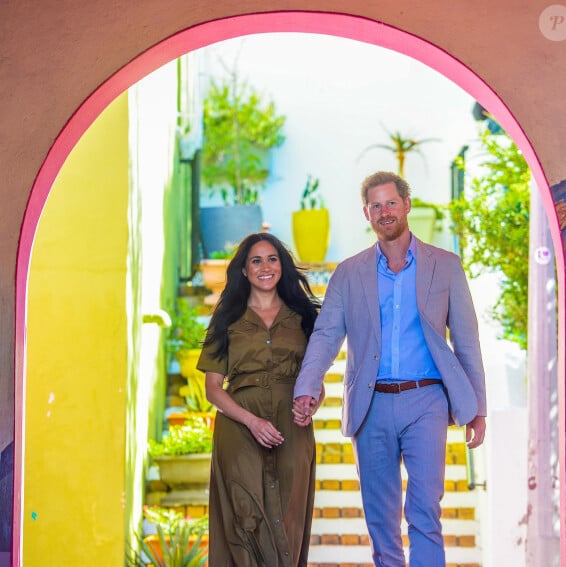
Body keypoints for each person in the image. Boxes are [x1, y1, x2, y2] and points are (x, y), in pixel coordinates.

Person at [293, 171, 487, 567]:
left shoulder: (446, 266)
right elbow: (327, 335)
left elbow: (466, 340)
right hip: (372, 403)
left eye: (391, 203)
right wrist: (306, 386)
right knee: (381, 519)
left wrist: (477, 406)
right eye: (376, 205)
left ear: (407, 205)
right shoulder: (348, 273)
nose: (385, 212)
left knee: (425, 509)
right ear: (366, 214)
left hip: (427, 400)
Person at [197, 232, 324, 567]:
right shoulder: (226, 319)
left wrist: (312, 404)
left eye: (272, 259)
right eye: (256, 260)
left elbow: (316, 382)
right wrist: (251, 421)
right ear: (244, 270)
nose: (265, 267)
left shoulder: (305, 318)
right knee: (244, 516)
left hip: (291, 430)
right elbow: (213, 388)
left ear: (282, 266)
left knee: (289, 516)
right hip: (239, 428)